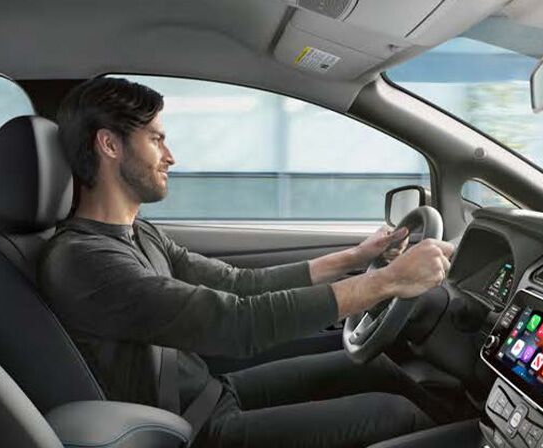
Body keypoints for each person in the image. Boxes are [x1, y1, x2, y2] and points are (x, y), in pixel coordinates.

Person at [38, 77, 454, 448]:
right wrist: (387, 282)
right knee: (393, 416)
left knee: (373, 368)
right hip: (189, 431)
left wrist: (356, 258)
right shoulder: (84, 261)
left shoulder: (140, 234)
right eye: (156, 139)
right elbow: (235, 322)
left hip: (208, 395)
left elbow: (239, 283)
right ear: (109, 145)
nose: (170, 156)